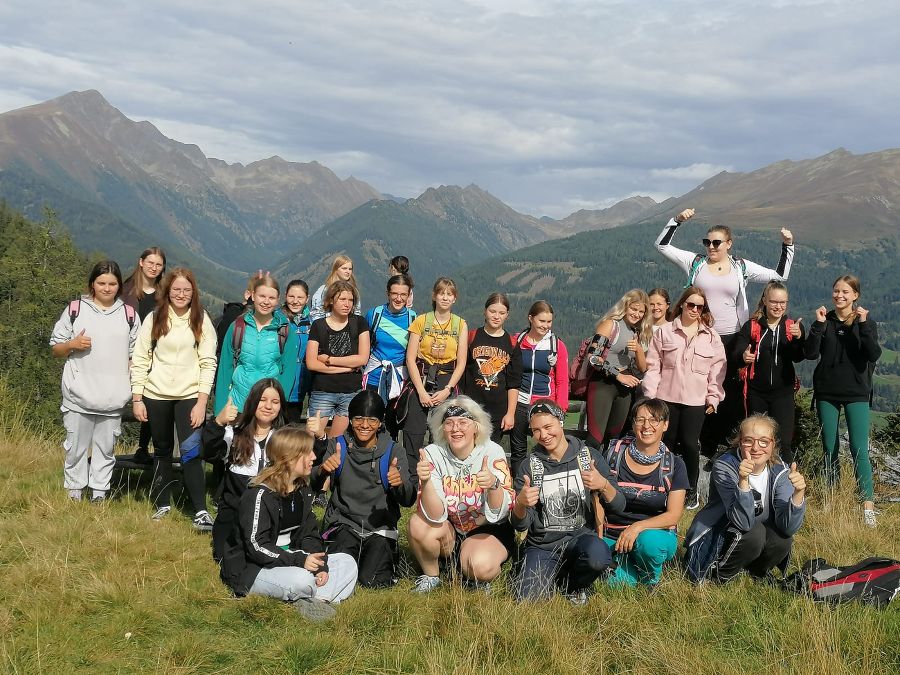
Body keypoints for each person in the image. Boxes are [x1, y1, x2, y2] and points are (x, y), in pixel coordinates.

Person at [655, 208, 795, 458]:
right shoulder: (695, 262)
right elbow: (662, 246)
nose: (711, 246)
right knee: (698, 389)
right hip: (701, 336)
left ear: (729, 244)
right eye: (707, 242)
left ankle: (722, 447)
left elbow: (779, 275)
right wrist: (676, 221)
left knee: (729, 395)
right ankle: (697, 445)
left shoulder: (740, 266)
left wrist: (788, 245)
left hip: (733, 338)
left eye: (716, 242)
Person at [219, 427, 358, 622]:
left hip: (292, 561)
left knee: (347, 562)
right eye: (307, 452)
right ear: (290, 458)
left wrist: (320, 566)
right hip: (254, 569)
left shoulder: (303, 490)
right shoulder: (258, 495)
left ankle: (313, 601)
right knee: (301, 580)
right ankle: (314, 596)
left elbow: (310, 535)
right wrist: (301, 562)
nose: (314, 456)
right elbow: (256, 547)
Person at [512, 399, 625, 603]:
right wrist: (520, 504)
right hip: (543, 545)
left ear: (561, 421)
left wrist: (603, 485)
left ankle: (573, 585)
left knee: (598, 557)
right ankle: (544, 571)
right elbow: (520, 524)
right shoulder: (529, 466)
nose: (544, 435)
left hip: (581, 539)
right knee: (527, 601)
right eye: (536, 430)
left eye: (548, 427)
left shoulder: (588, 456)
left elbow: (619, 505)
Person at [130, 268, 218, 526]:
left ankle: (200, 510)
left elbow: (208, 362)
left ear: (194, 293)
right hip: (156, 395)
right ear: (167, 290)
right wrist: (137, 397)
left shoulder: (201, 319)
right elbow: (141, 357)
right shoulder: (155, 317)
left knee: (191, 452)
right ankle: (162, 504)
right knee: (162, 451)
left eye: (186, 290)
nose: (181, 294)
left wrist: (202, 402)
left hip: (189, 395)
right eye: (176, 289)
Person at [50, 260, 140, 502]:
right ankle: (74, 493)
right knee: (76, 447)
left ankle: (99, 493)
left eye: (112, 283)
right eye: (101, 283)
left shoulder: (129, 315)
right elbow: (56, 348)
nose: (107, 288)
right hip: (78, 394)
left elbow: (137, 355)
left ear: (120, 286)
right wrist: (71, 345)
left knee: (106, 448)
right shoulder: (75, 310)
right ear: (92, 283)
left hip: (113, 397)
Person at [308, 390, 416, 587]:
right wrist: (322, 470)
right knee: (337, 574)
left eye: (372, 421)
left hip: (379, 528)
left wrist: (399, 484)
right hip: (343, 524)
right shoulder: (337, 445)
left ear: (381, 422)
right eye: (358, 419)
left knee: (372, 580)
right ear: (350, 419)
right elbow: (313, 486)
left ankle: (384, 559)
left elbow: (408, 500)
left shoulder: (394, 451)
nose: (365, 426)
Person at [408, 396, 515, 593]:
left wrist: (493, 484)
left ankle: (471, 568)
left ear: (476, 427)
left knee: (479, 565)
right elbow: (434, 514)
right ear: (442, 429)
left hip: (488, 528)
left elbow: (500, 512)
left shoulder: (492, 451)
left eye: (463, 422)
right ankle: (432, 576)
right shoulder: (433, 453)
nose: (456, 429)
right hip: (450, 527)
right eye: (449, 423)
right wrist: (426, 482)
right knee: (417, 523)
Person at [684, 414, 807, 583]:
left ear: (773, 444)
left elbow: (788, 528)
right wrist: (743, 481)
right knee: (755, 532)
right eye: (749, 440)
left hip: (748, 539)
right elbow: (743, 523)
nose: (756, 448)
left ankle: (755, 574)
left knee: (782, 539)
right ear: (739, 442)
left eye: (764, 441)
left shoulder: (782, 471)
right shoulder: (724, 466)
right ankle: (720, 576)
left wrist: (798, 494)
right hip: (716, 536)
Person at [805, 275, 882, 527]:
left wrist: (863, 324)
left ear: (855, 295)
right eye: (836, 291)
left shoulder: (864, 322)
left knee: (859, 449)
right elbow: (810, 353)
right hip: (827, 391)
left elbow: (873, 353)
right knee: (830, 449)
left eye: (845, 292)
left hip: (856, 392)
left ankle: (867, 505)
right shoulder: (824, 322)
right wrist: (817, 325)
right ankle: (830, 499)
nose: (839, 295)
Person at [642, 286, 726, 510]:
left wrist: (713, 397)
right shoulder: (664, 332)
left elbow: (717, 371)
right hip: (665, 399)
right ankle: (661, 485)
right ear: (681, 304)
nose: (695, 309)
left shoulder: (711, 337)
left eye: (700, 306)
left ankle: (690, 490)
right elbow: (653, 367)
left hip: (695, 401)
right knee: (665, 444)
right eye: (691, 305)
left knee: (690, 445)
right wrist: (650, 397)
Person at [603, 398, 688, 586]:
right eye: (640, 420)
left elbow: (674, 515)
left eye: (654, 420)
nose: (646, 426)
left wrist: (637, 527)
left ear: (665, 425)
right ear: (633, 424)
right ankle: (631, 571)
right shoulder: (612, 456)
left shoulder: (675, 465)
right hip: (612, 534)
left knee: (649, 543)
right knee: (613, 582)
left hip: (654, 534)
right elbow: (597, 499)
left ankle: (651, 579)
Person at [202, 378, 286, 562]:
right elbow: (208, 453)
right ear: (252, 401)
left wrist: (319, 437)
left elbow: (309, 461)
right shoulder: (234, 433)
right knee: (226, 559)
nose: (268, 406)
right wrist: (218, 423)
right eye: (263, 400)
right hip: (233, 515)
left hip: (269, 516)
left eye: (275, 402)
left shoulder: (284, 438)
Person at [399, 277, 468, 480]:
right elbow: (410, 358)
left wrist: (447, 389)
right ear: (434, 295)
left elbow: (461, 361)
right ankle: (411, 478)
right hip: (421, 377)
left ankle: (443, 476)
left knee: (446, 429)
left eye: (449, 294)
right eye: (442, 293)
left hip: (447, 379)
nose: (445, 297)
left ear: (454, 298)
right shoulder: (421, 321)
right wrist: (420, 391)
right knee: (413, 430)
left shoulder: (460, 324)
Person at [732, 281, 806, 462]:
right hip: (756, 393)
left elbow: (798, 356)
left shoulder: (792, 327)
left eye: (782, 303)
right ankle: (752, 481)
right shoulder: (752, 326)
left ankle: (784, 485)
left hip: (783, 393)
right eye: (774, 302)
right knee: (755, 441)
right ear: (765, 300)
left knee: (784, 442)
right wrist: (743, 356)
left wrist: (798, 338)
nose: (778, 306)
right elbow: (736, 353)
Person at [214, 273, 298, 416]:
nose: (266, 302)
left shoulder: (285, 331)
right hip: (237, 405)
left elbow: (288, 373)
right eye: (262, 296)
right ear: (253, 296)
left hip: (267, 408)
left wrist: (279, 405)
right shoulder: (237, 327)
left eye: (271, 298)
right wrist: (220, 410)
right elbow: (225, 369)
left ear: (278, 300)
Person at [583, 289, 652, 450]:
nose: (637, 314)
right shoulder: (610, 325)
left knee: (614, 440)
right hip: (603, 384)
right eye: (633, 309)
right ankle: (585, 472)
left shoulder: (637, 332)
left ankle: (607, 473)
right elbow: (593, 357)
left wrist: (639, 350)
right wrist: (618, 375)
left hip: (624, 390)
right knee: (594, 438)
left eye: (641, 311)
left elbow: (643, 368)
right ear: (625, 306)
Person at [509, 301, 569, 479]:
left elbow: (562, 381)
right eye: (541, 321)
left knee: (547, 447)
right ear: (531, 319)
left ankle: (547, 484)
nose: (545, 325)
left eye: (549, 322)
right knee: (518, 450)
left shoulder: (557, 345)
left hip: (545, 406)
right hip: (520, 402)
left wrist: (561, 410)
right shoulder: (517, 341)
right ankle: (519, 488)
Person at [306, 281, 371, 439]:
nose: (347, 304)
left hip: (350, 391)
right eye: (342, 299)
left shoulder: (359, 323)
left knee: (337, 443)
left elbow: (362, 359)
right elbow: (311, 363)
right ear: (331, 301)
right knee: (311, 439)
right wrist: (347, 367)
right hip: (323, 391)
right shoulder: (318, 325)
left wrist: (328, 359)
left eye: (350, 300)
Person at [120, 247, 166, 465]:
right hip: (125, 355)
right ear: (141, 262)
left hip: (155, 356)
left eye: (158, 264)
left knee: (151, 400)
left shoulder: (164, 293)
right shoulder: (125, 291)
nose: (154, 268)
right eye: (150, 263)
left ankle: (143, 447)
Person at [461, 292, 523, 443]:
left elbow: (514, 383)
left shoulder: (512, 343)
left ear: (507, 315)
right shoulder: (471, 337)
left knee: (489, 453)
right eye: (492, 311)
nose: (496, 316)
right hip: (470, 408)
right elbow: (461, 371)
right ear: (485, 311)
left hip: (498, 412)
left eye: (501, 313)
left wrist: (510, 413)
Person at [362, 273, 416, 431]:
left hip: (399, 379)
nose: (399, 299)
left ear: (408, 295)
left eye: (403, 294)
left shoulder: (413, 319)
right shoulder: (374, 315)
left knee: (392, 426)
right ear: (388, 293)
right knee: (370, 422)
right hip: (374, 376)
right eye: (395, 294)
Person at [283, 279, 312, 424]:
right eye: (291, 297)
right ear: (285, 296)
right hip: (278, 385)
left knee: (290, 432)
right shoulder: (277, 319)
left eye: (300, 297)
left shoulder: (313, 322)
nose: (295, 301)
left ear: (307, 298)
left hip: (300, 387)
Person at [309, 255, 361, 321]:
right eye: (344, 268)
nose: (348, 271)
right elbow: (316, 313)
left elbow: (357, 312)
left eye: (350, 269)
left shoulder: (354, 291)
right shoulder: (324, 289)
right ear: (336, 269)